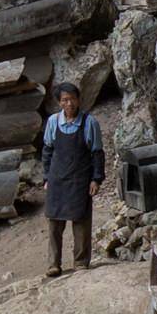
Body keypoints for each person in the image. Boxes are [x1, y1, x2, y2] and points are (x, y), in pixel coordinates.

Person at [41, 82, 105, 278]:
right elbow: (47, 151)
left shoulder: (89, 123)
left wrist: (96, 179)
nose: (69, 103)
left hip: (80, 179)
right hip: (57, 179)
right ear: (59, 103)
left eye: (72, 99)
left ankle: (81, 262)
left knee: (81, 221)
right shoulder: (53, 122)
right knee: (54, 223)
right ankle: (54, 264)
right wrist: (46, 177)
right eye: (64, 100)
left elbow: (97, 153)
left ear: (78, 100)